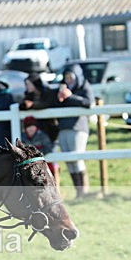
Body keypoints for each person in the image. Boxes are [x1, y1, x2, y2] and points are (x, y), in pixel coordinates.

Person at [51, 63, 93, 197]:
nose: (68, 80)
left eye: (71, 77)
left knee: (77, 159)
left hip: (78, 128)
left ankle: (84, 190)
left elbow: (88, 103)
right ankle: (78, 191)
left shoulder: (84, 86)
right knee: (69, 161)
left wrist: (70, 97)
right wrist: (59, 99)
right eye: (66, 77)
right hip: (63, 127)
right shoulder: (62, 88)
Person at [20, 72, 59, 143]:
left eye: (29, 84)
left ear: (35, 84)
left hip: (49, 129)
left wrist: (32, 105)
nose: (27, 86)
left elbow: (47, 104)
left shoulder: (48, 92)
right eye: (26, 84)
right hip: (35, 131)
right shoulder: (28, 95)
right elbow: (22, 107)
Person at [20, 116, 58, 186]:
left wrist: (36, 155)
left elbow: (48, 148)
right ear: (25, 128)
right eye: (28, 127)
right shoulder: (22, 138)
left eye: (32, 126)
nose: (31, 128)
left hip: (43, 161)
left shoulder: (42, 135)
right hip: (30, 164)